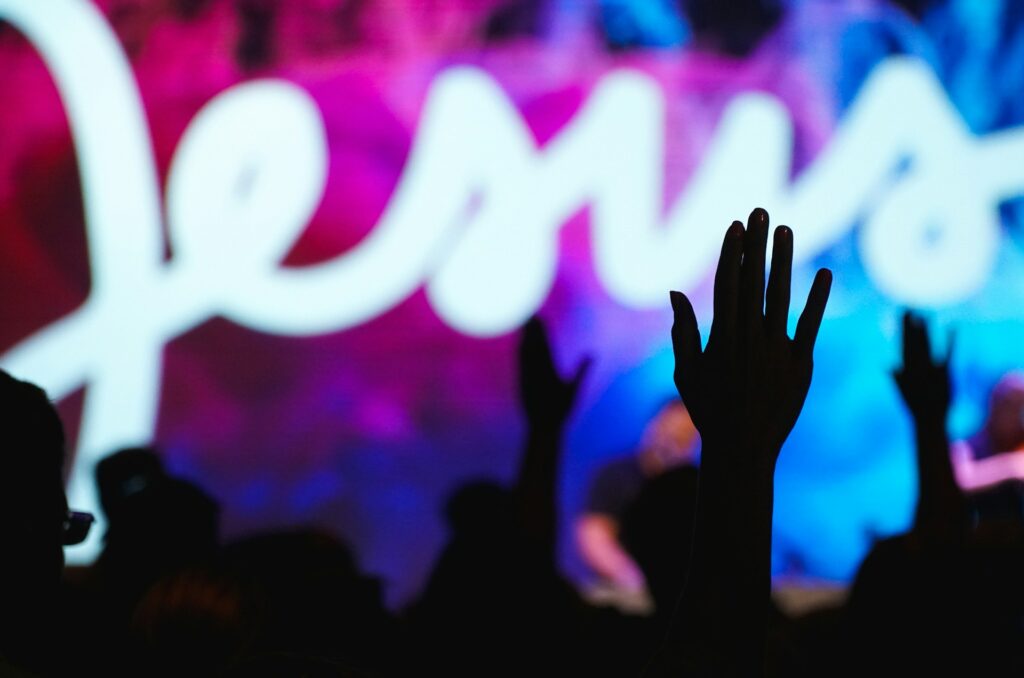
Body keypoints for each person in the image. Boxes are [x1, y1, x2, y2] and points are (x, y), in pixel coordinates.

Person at [576, 398, 699, 610]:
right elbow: (594, 537)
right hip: (623, 593)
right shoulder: (617, 475)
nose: (670, 444)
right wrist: (633, 578)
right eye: (668, 432)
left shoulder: (696, 485)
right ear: (652, 426)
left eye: (682, 438)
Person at [950, 371, 1024, 525]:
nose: (1018, 414)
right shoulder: (967, 446)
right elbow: (959, 480)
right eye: (1011, 404)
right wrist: (1010, 467)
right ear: (994, 404)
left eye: (1022, 406)